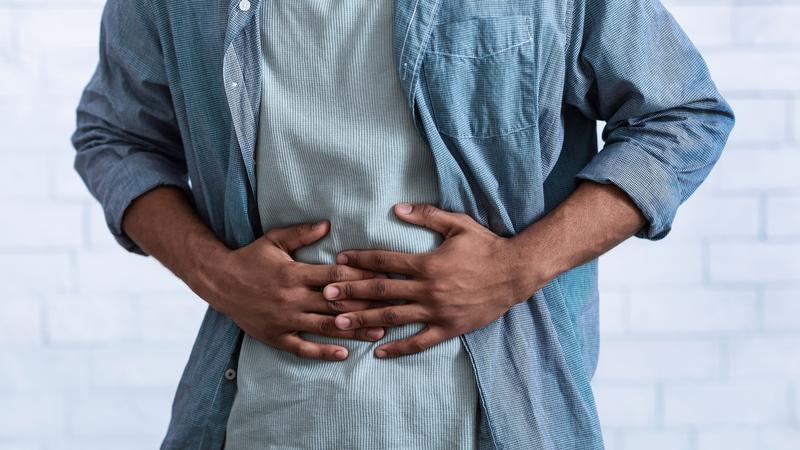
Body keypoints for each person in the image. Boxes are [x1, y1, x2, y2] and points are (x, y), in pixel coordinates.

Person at [71, 0, 734, 448]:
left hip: (497, 419)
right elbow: (116, 138)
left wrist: (514, 268)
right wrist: (215, 273)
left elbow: (680, 116)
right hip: (263, 421)